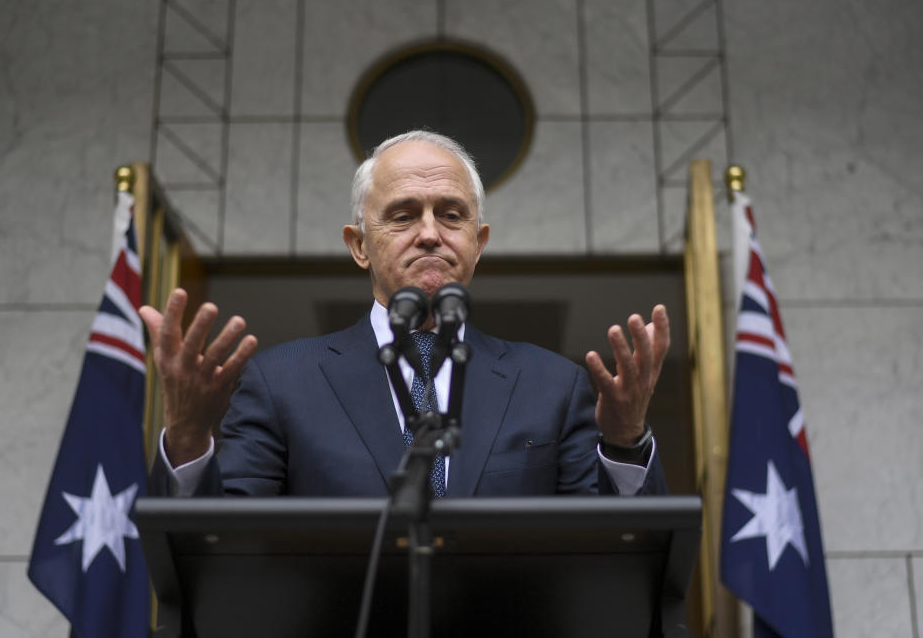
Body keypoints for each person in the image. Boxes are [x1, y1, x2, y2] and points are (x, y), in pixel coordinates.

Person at [140, 130, 670, 497]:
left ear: (478, 242)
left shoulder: (553, 386)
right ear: (359, 246)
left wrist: (626, 441)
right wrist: (188, 438)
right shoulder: (280, 383)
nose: (430, 233)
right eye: (402, 215)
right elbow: (223, 552)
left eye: (451, 214)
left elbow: (610, 556)